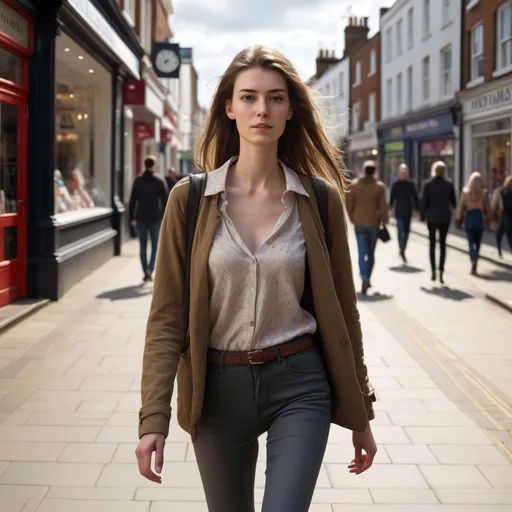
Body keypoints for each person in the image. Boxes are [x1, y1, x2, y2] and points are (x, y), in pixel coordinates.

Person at [135, 45, 377, 512]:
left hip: (299, 383)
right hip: (217, 390)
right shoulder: (190, 200)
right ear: (229, 108)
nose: (261, 109)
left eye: (276, 98)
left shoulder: (320, 201)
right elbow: (166, 318)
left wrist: (360, 411)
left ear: (291, 110)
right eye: (248, 97)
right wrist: (153, 419)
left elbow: (344, 312)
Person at [346, 160, 389, 295]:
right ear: (374, 171)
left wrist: (352, 218)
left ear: (364, 170)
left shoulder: (354, 185)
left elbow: (348, 204)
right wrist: (384, 220)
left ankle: (363, 276)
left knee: (361, 252)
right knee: (370, 253)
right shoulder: (379, 186)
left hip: (359, 223)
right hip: (373, 223)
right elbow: (383, 206)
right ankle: (368, 277)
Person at [129, 155, 169, 282]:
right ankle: (150, 269)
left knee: (143, 245)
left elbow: (132, 200)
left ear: (144, 164)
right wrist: (165, 216)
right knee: (155, 245)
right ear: (154, 165)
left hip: (141, 217)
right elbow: (166, 201)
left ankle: (145, 269)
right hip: (155, 217)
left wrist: (131, 216)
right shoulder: (159, 181)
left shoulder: (138, 181)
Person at [420, 161, 456, 284]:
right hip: (445, 218)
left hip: (432, 218)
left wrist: (422, 217)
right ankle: (441, 271)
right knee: (442, 245)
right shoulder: (449, 184)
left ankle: (433, 272)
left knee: (432, 244)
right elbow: (454, 203)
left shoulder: (428, 185)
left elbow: (424, 202)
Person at [456, 172, 490, 275]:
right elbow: (487, 208)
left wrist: (458, 219)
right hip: (479, 217)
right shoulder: (483, 193)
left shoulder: (466, 192)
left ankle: (473, 258)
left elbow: (460, 206)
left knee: (471, 241)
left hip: (470, 216)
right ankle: (476, 259)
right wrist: (489, 218)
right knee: (478, 242)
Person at [389, 163, 419, 263]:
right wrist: (390, 209)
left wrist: (417, 209)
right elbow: (392, 198)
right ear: (399, 172)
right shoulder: (395, 185)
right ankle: (401, 247)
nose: (403, 173)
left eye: (405, 172)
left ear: (407, 173)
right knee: (400, 230)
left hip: (408, 211)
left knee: (406, 232)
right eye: (402, 171)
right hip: (398, 211)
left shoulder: (411, 185)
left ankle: (403, 249)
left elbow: (415, 198)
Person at [491, 176, 512, 257]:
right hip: (506, 216)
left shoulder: (500, 191)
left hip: (504, 216)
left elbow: (495, 204)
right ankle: (500, 251)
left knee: (500, 234)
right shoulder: (501, 191)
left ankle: (499, 251)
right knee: (507, 235)